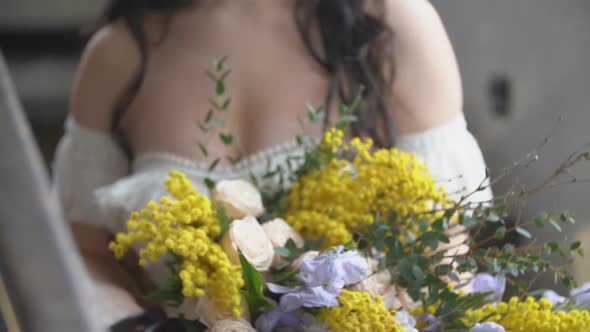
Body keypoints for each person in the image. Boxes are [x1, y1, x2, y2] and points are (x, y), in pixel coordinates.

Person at [53, 0, 493, 329]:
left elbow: (443, 252)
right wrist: (134, 324)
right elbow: (86, 255)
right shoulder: (119, 54)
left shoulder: (389, 26)